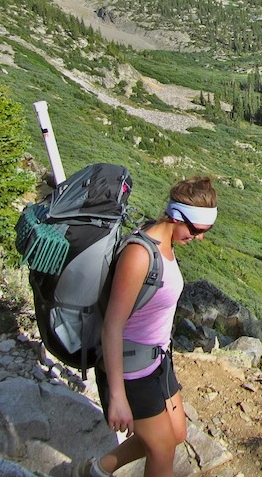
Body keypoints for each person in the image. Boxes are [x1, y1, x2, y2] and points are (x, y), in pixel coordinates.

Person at [79, 176, 218, 477]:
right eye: (196, 230)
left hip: (157, 360)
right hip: (132, 368)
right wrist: (117, 396)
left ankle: (97, 470)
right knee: (162, 449)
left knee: (176, 434)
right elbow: (113, 326)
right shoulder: (140, 255)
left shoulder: (166, 243)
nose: (199, 238)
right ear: (176, 216)